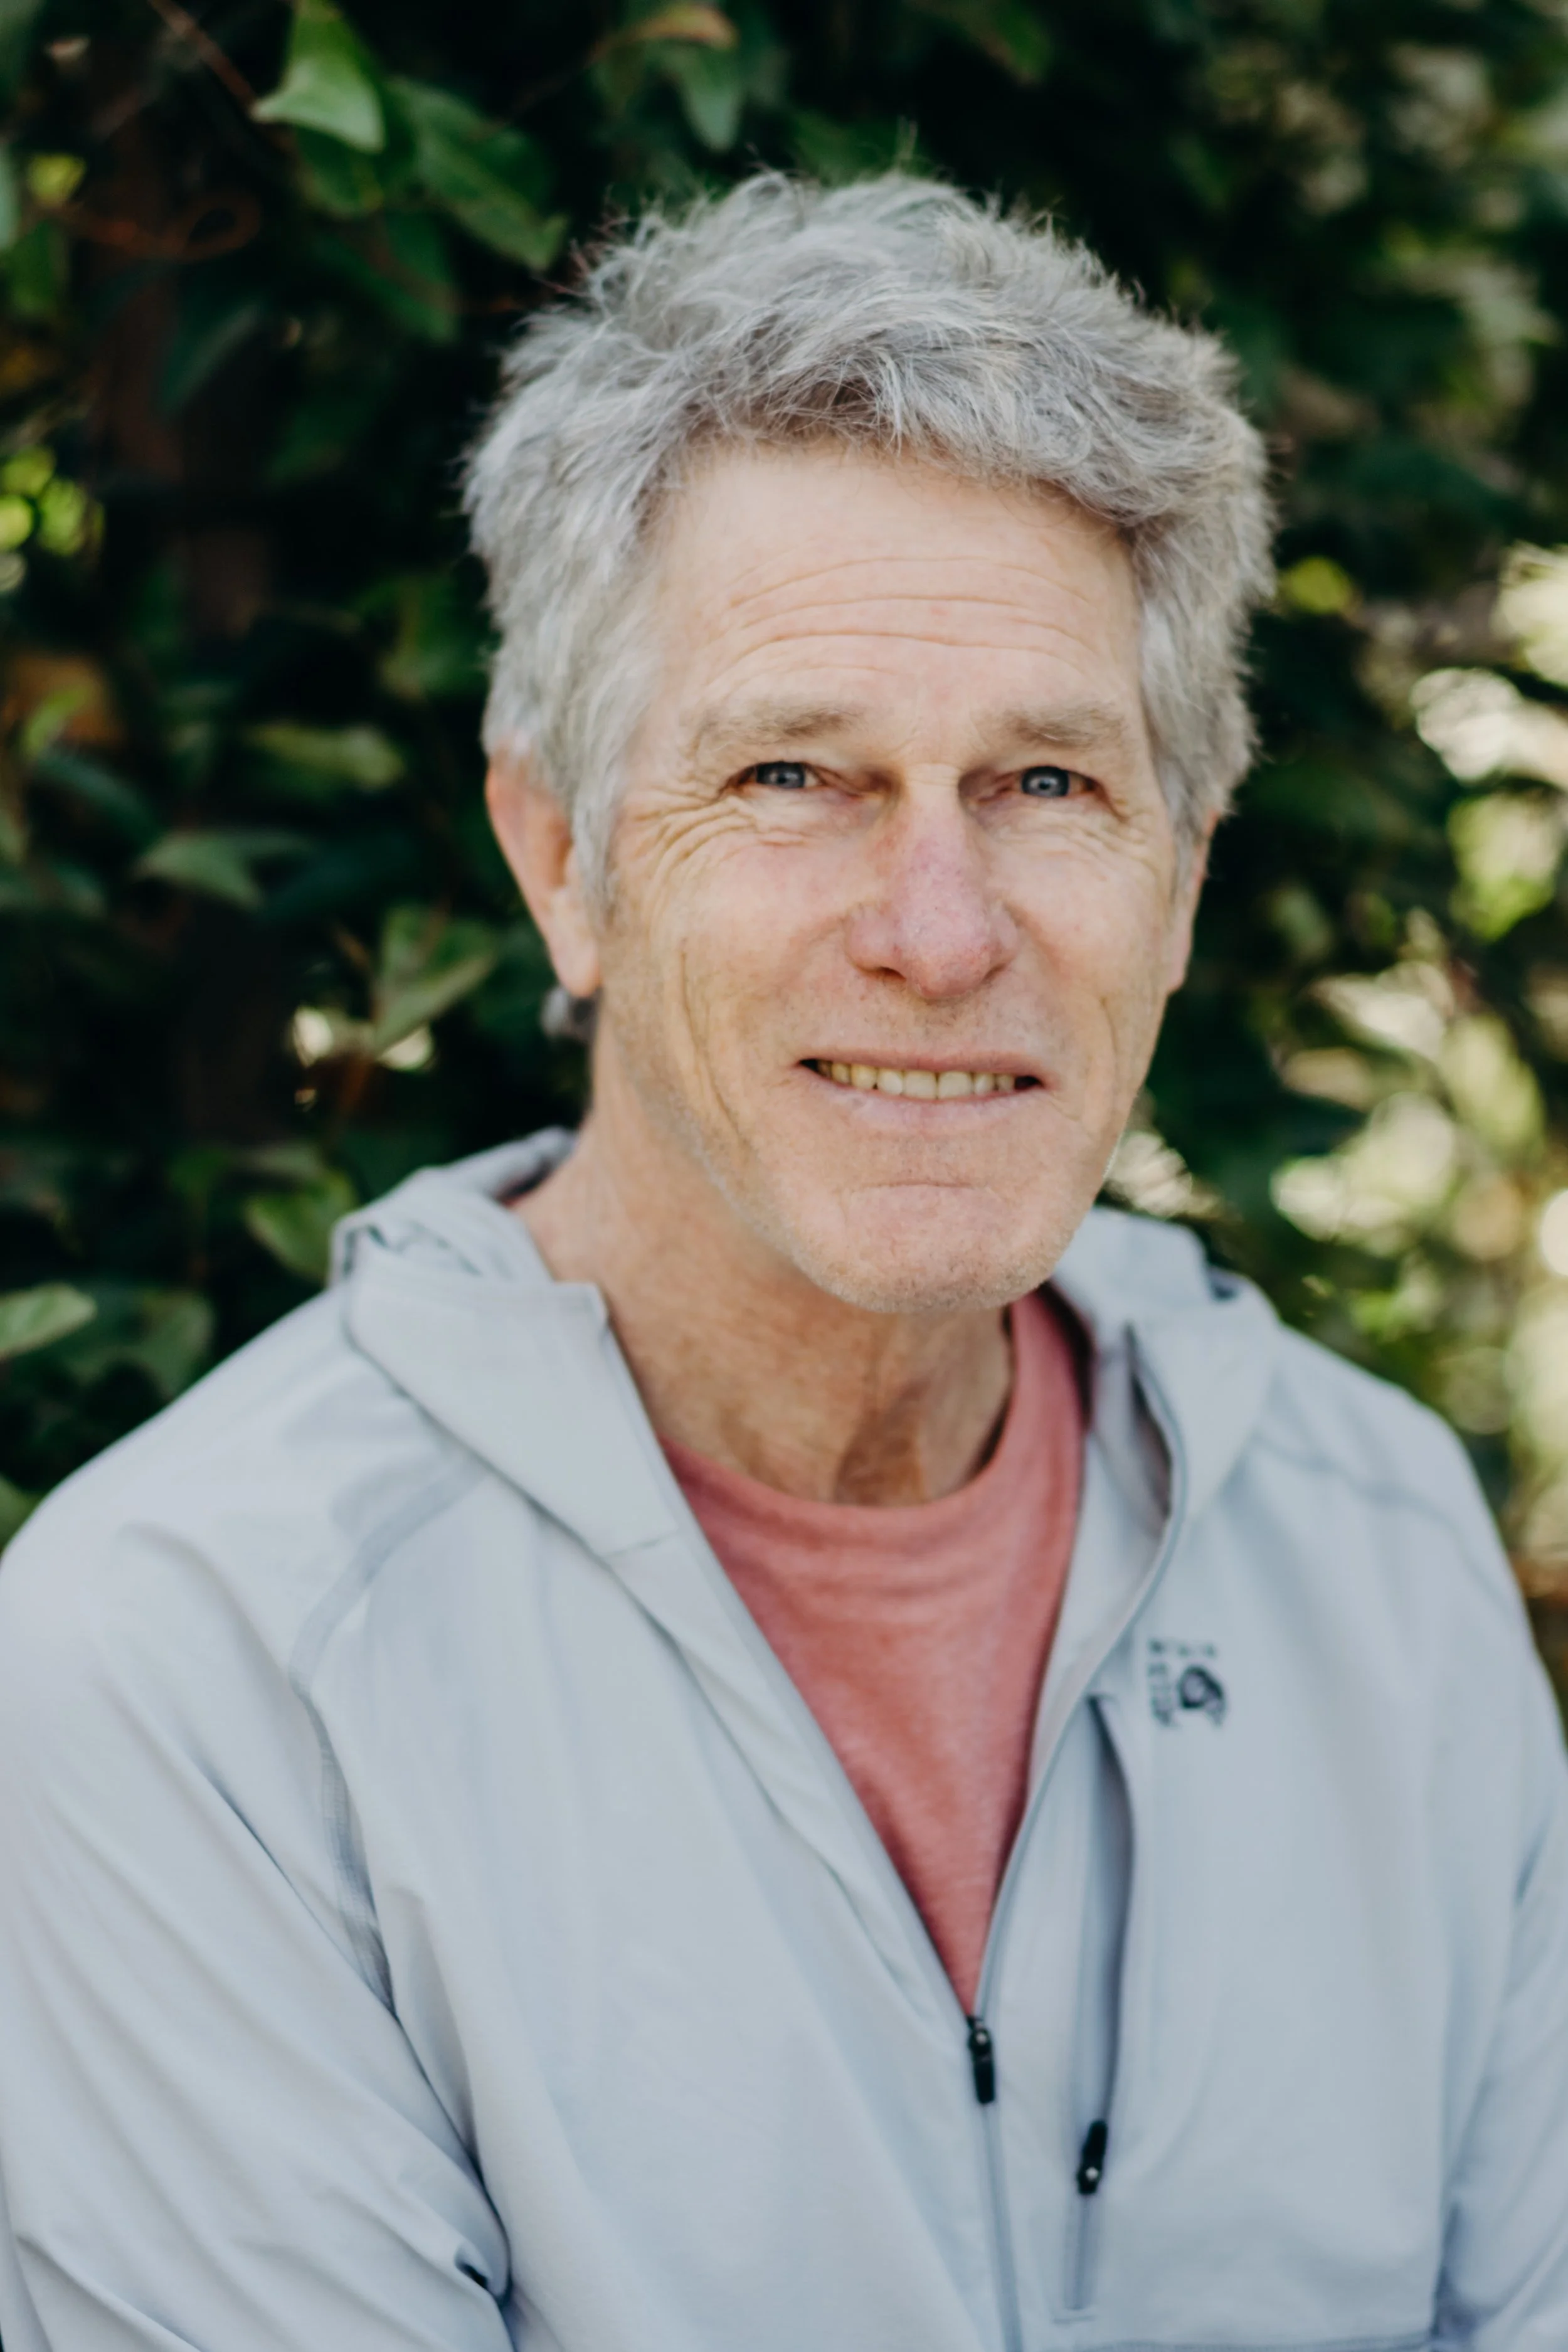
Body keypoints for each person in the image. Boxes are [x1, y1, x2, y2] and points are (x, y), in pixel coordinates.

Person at [0, 174, 1564, 2352]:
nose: (938, 930)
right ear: (562, 860)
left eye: (1045, 781)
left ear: (1183, 879)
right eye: (793, 771)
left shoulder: (1370, 1544)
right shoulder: (195, 1669)